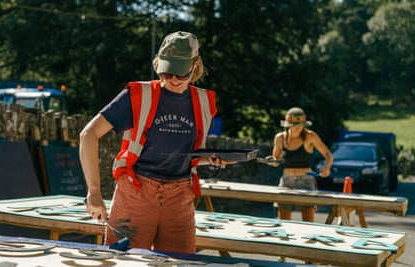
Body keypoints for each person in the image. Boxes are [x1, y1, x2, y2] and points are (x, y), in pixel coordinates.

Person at [79, 31, 234, 253]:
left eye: (181, 74)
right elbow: (88, 135)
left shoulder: (203, 101)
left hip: (180, 197)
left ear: (195, 66)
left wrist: (208, 159)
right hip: (136, 192)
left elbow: (183, 153)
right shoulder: (138, 95)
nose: (172, 79)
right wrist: (93, 192)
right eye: (167, 72)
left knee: (180, 263)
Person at [266, 107, 333, 222]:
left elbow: (328, 154)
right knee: (283, 222)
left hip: (306, 181)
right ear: (288, 125)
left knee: (308, 223)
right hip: (287, 181)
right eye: (295, 125)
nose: (298, 128)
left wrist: (326, 167)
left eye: (301, 125)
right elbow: (276, 160)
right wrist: (271, 161)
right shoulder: (280, 138)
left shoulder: (310, 136)